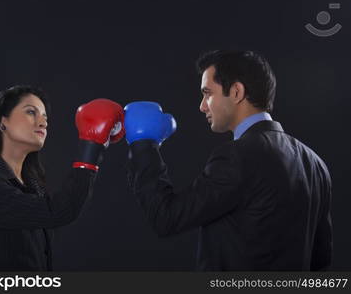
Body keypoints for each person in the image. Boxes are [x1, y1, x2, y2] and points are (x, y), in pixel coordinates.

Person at [124, 50, 333, 271]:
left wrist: (143, 145)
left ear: (236, 91)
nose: (202, 106)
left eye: (207, 94)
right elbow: (320, 259)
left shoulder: (238, 156)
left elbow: (167, 218)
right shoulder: (316, 164)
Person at [0, 85, 124, 271]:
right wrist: (90, 148)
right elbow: (59, 211)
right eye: (31, 112)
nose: (43, 123)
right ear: (3, 122)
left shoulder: (32, 186)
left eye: (45, 117)